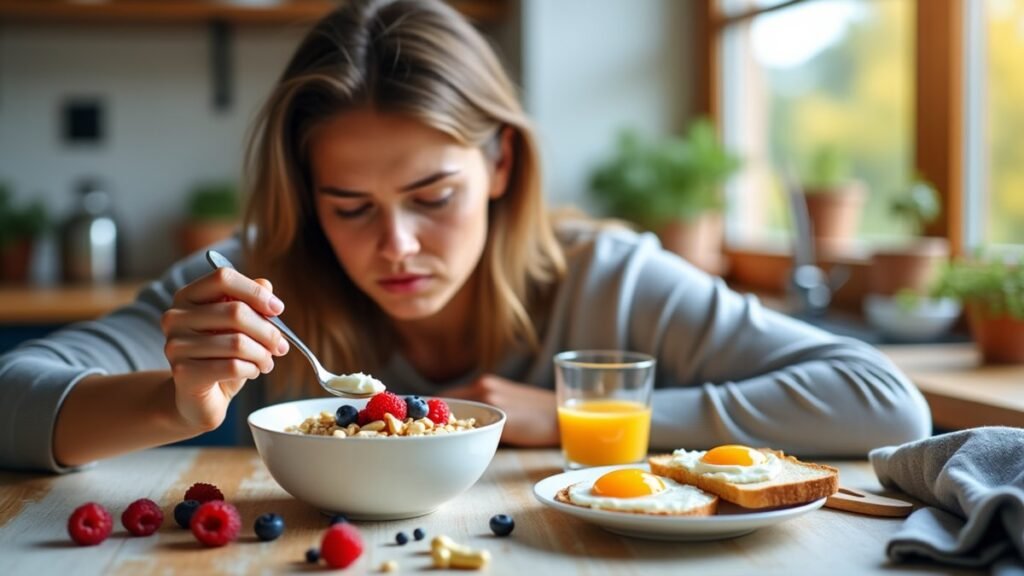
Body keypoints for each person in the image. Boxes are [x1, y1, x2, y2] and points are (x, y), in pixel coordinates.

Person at [0, 0, 930, 473]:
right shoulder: (262, 283)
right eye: (349, 206)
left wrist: (562, 422)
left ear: (502, 167)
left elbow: (882, 401)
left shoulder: (606, 276)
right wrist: (173, 404)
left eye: (432, 195)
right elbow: (11, 396)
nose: (397, 244)